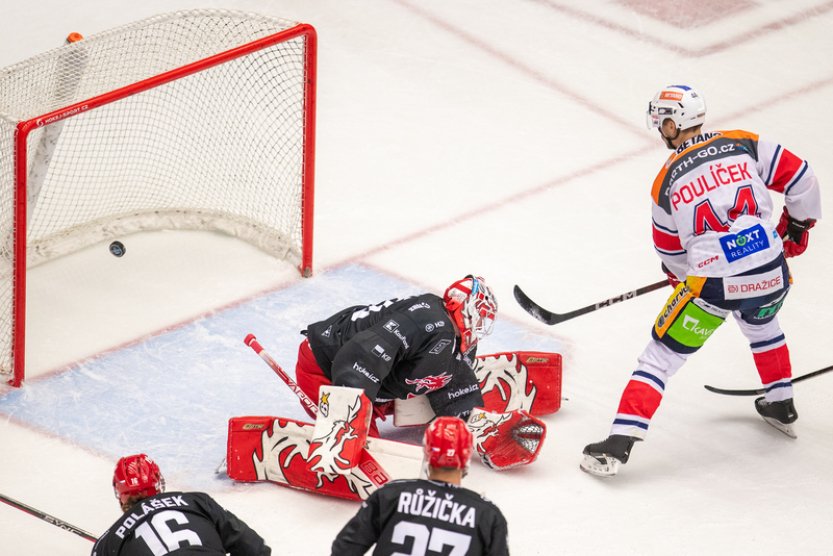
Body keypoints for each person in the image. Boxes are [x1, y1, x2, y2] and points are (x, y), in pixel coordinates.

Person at [581, 85, 822, 477]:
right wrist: (797, 224)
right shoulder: (744, 143)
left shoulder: (665, 180)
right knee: (763, 326)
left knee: (660, 357)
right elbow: (802, 178)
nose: (660, 128)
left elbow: (670, 253)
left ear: (674, 124)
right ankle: (781, 403)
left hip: (714, 283)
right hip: (771, 272)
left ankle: (618, 445)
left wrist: (682, 279)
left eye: (661, 121)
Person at [294, 275, 499, 436]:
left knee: (433, 364)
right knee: (361, 445)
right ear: (463, 307)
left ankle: (376, 403)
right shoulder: (425, 323)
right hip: (323, 367)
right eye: (480, 315)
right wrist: (349, 417)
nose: (481, 325)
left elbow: (447, 367)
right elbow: (361, 356)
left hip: (366, 369)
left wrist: (471, 418)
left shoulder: (449, 332)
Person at [331, 416, 510, 555]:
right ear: (466, 457)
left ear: (427, 452)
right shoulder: (487, 515)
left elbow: (344, 549)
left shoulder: (390, 496)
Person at [92, 453, 271, 555]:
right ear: (157, 482)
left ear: (119, 492)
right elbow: (255, 548)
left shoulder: (108, 543)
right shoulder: (197, 501)